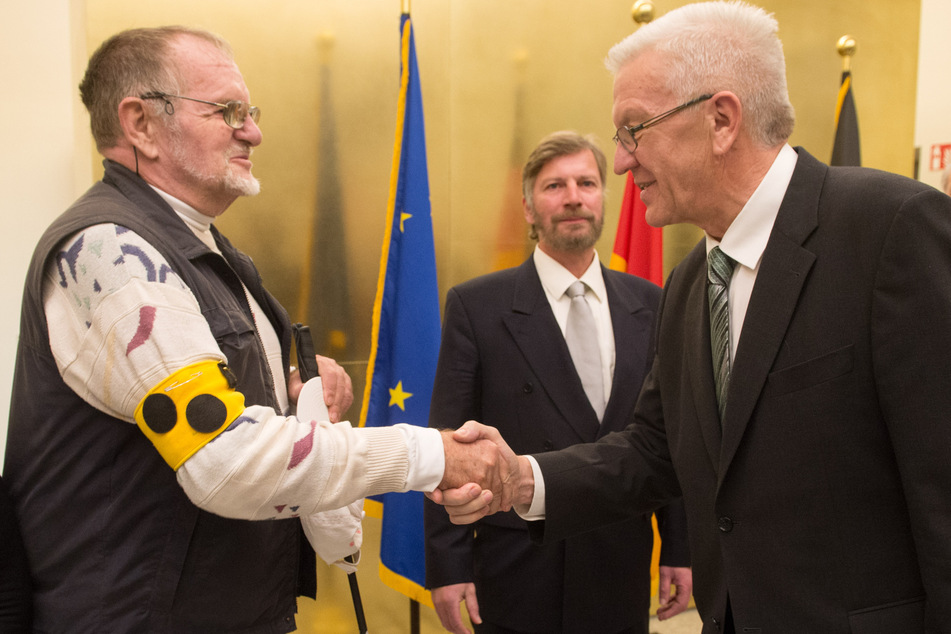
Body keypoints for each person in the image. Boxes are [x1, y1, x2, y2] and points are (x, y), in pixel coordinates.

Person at [434, 2, 951, 632]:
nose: (621, 163)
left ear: (722, 120)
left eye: (634, 130)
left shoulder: (889, 231)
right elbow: (656, 451)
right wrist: (521, 480)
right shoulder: (689, 284)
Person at [2, 26, 511, 632]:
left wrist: (296, 399)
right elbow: (226, 458)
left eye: (252, 111)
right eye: (228, 111)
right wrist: (431, 455)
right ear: (139, 124)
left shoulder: (206, 249)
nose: (254, 131)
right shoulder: (110, 251)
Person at [424, 131, 692, 634]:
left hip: (619, 562)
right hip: (517, 568)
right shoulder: (477, 306)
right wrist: (449, 566)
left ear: (604, 199)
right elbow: (449, 444)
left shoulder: (652, 303)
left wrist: (680, 548)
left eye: (587, 183)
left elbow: (668, 439)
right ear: (528, 208)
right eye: (554, 186)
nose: (573, 197)